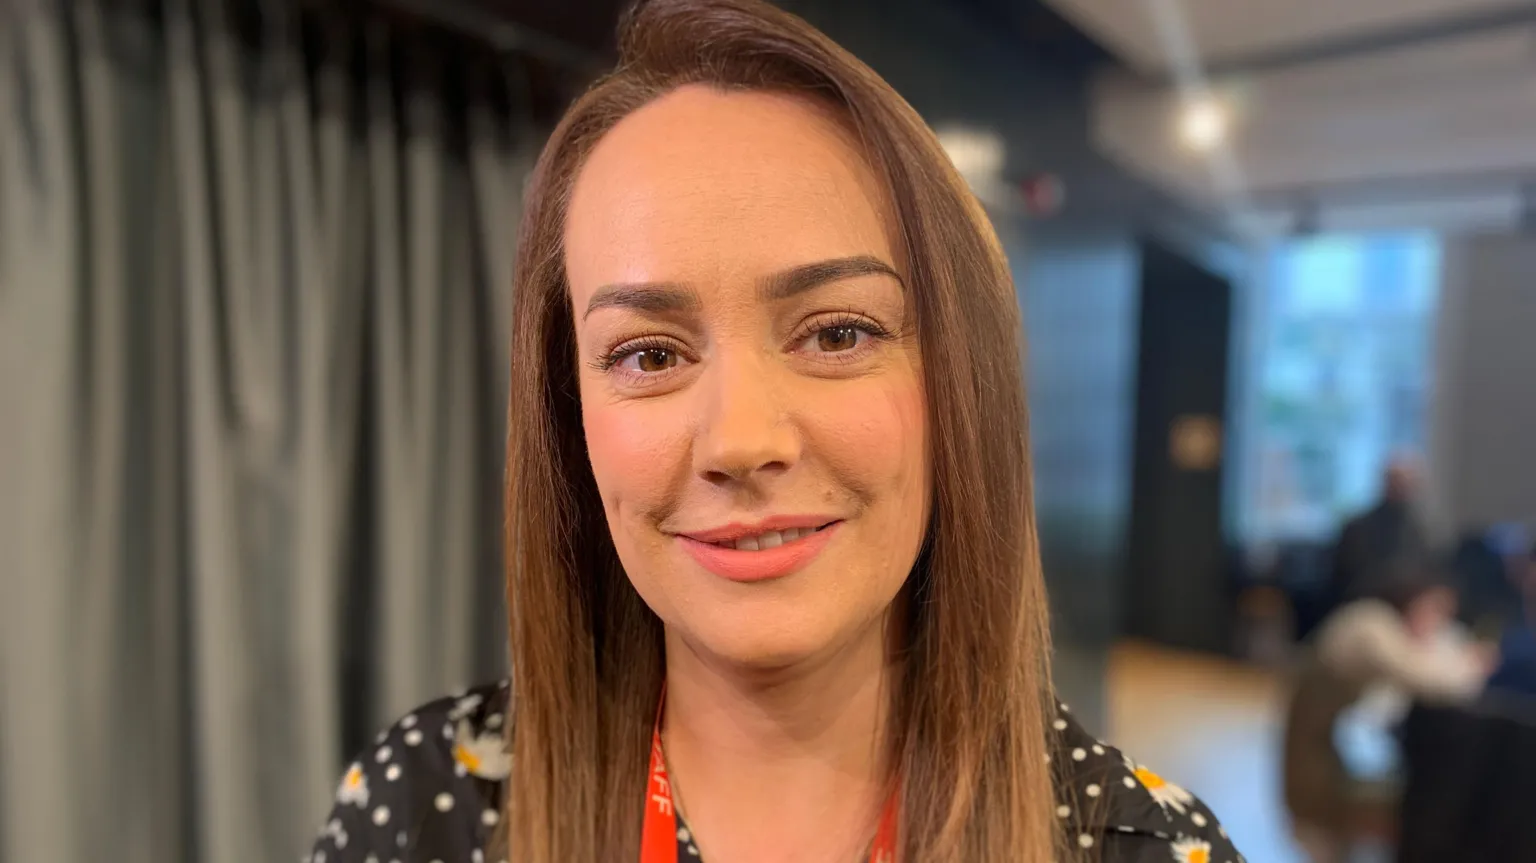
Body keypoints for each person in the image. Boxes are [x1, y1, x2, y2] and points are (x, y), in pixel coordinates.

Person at [309, 1, 1238, 861]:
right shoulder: (429, 809)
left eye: (838, 332)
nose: (739, 441)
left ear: (963, 385)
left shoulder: (1149, 848)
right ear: (569, 416)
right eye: (649, 355)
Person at [1282, 565, 1493, 862]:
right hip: (1317, 770)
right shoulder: (1370, 625)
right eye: (1436, 610)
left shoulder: (1374, 622)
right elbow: (1427, 681)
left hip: (1330, 755)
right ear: (1414, 597)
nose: (1437, 623)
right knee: (1431, 808)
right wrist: (1478, 662)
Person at [1329, 458, 1428, 608]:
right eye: (1398, 481)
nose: (1402, 488)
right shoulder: (1358, 528)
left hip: (1410, 609)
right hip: (1366, 607)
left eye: (1408, 482)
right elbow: (1349, 580)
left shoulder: (1421, 530)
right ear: (1386, 482)